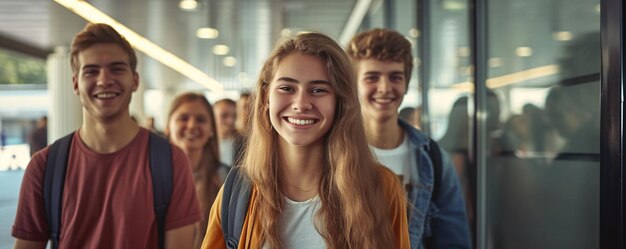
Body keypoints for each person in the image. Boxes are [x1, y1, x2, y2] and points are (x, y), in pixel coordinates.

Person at [201, 32, 409, 249]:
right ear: (265, 98)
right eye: (287, 88)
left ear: (341, 102)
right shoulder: (238, 191)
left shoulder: (381, 188)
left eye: (318, 90)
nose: (301, 104)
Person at [12, 23, 200, 249]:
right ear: (75, 83)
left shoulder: (169, 161)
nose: (104, 80)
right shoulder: (45, 167)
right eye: (91, 71)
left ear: (135, 81)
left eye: (117, 68)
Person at [347, 28, 471, 249]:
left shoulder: (432, 159)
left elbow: (453, 241)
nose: (384, 88)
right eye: (372, 77)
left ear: (406, 84)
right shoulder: (332, 153)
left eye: (395, 77)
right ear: (353, 84)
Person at [166, 93, 228, 249]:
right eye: (183, 118)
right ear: (168, 127)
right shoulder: (153, 176)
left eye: (201, 120)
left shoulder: (227, 179)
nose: (192, 125)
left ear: (211, 130)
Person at [212, 98, 238, 166]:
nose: (230, 121)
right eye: (224, 115)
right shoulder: (202, 144)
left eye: (234, 116)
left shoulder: (244, 145)